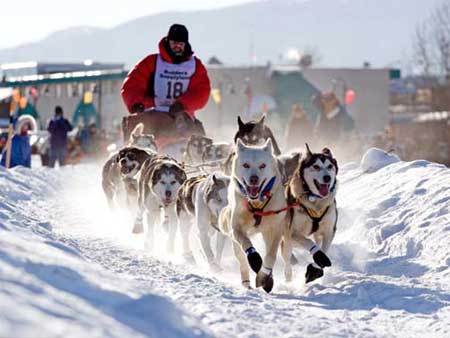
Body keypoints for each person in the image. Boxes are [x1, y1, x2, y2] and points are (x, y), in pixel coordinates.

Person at [120, 24, 211, 140]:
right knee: (136, 128)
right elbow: (132, 84)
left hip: (181, 114)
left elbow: (201, 91)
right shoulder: (152, 62)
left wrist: (183, 105)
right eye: (174, 43)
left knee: (194, 138)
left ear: (186, 44)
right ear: (168, 42)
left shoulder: (195, 66)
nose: (177, 47)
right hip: (153, 111)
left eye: (181, 44)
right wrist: (137, 103)